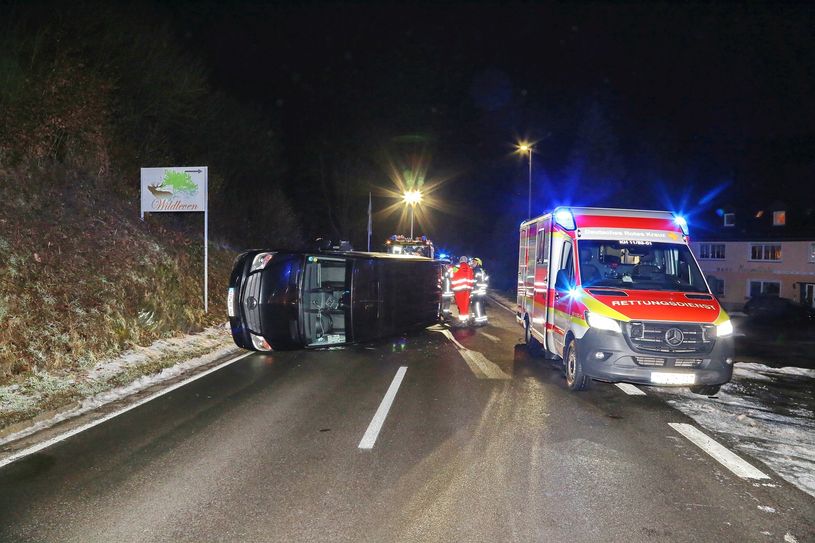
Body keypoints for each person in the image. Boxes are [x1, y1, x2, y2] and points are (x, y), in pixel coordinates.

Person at [450, 255, 474, 324]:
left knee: (460, 305)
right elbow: (472, 279)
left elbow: (451, 275)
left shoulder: (457, 267)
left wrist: (450, 267)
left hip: (458, 289)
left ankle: (462, 321)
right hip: (467, 290)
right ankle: (465, 319)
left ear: (460, 260)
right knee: (465, 305)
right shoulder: (470, 268)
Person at [470, 257, 489, 325]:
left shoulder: (476, 271)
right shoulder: (482, 270)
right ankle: (483, 320)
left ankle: (478, 321)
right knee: (481, 306)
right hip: (481, 292)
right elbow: (486, 281)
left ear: (478, 263)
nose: (472, 263)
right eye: (472, 262)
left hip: (477, 292)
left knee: (477, 306)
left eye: (474, 262)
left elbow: (474, 282)